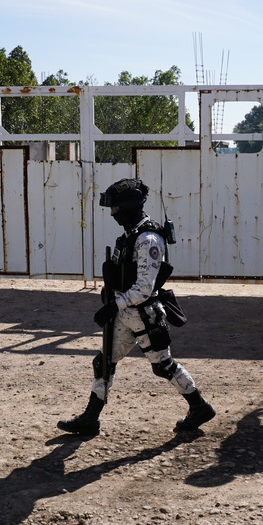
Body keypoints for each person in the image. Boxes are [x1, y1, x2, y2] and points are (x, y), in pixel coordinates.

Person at [57, 178, 215, 436]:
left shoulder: (148, 240)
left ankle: (199, 407)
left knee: (163, 366)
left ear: (129, 207)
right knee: (104, 362)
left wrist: (113, 306)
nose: (112, 214)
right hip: (126, 313)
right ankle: (90, 418)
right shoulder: (133, 235)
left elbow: (144, 288)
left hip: (143, 315)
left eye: (116, 208)